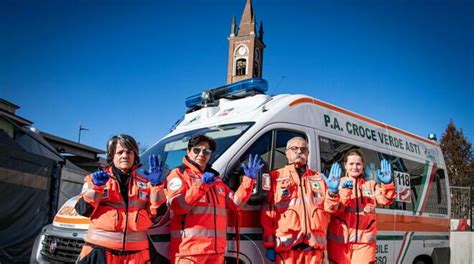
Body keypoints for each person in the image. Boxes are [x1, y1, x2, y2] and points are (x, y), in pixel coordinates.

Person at [166, 134, 263, 263]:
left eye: (206, 151)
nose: (201, 154)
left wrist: (249, 181)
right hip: (189, 253)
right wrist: (201, 185)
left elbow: (235, 204)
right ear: (188, 151)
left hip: (216, 252)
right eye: (196, 150)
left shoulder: (215, 179)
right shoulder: (178, 174)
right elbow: (179, 207)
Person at [75, 134, 167, 263]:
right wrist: (96, 188)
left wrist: (157, 186)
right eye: (120, 152)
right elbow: (83, 210)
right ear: (112, 156)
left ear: (135, 156)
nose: (125, 156)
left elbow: (158, 214)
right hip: (101, 253)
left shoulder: (146, 183)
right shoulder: (95, 179)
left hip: (137, 256)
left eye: (129, 152)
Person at [261, 136, 342, 264]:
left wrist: (332, 193)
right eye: (294, 148)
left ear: (308, 154)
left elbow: (331, 210)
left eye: (303, 149)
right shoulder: (275, 177)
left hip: (314, 250)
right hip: (287, 252)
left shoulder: (319, 178)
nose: (299, 152)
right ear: (287, 153)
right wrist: (269, 245)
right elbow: (268, 214)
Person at [327, 149, 395, 264]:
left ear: (363, 166)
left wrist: (387, 185)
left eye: (358, 164)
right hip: (340, 244)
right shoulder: (336, 184)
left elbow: (385, 200)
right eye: (351, 164)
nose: (355, 167)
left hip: (365, 245)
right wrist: (335, 192)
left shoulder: (370, 185)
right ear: (345, 165)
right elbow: (331, 210)